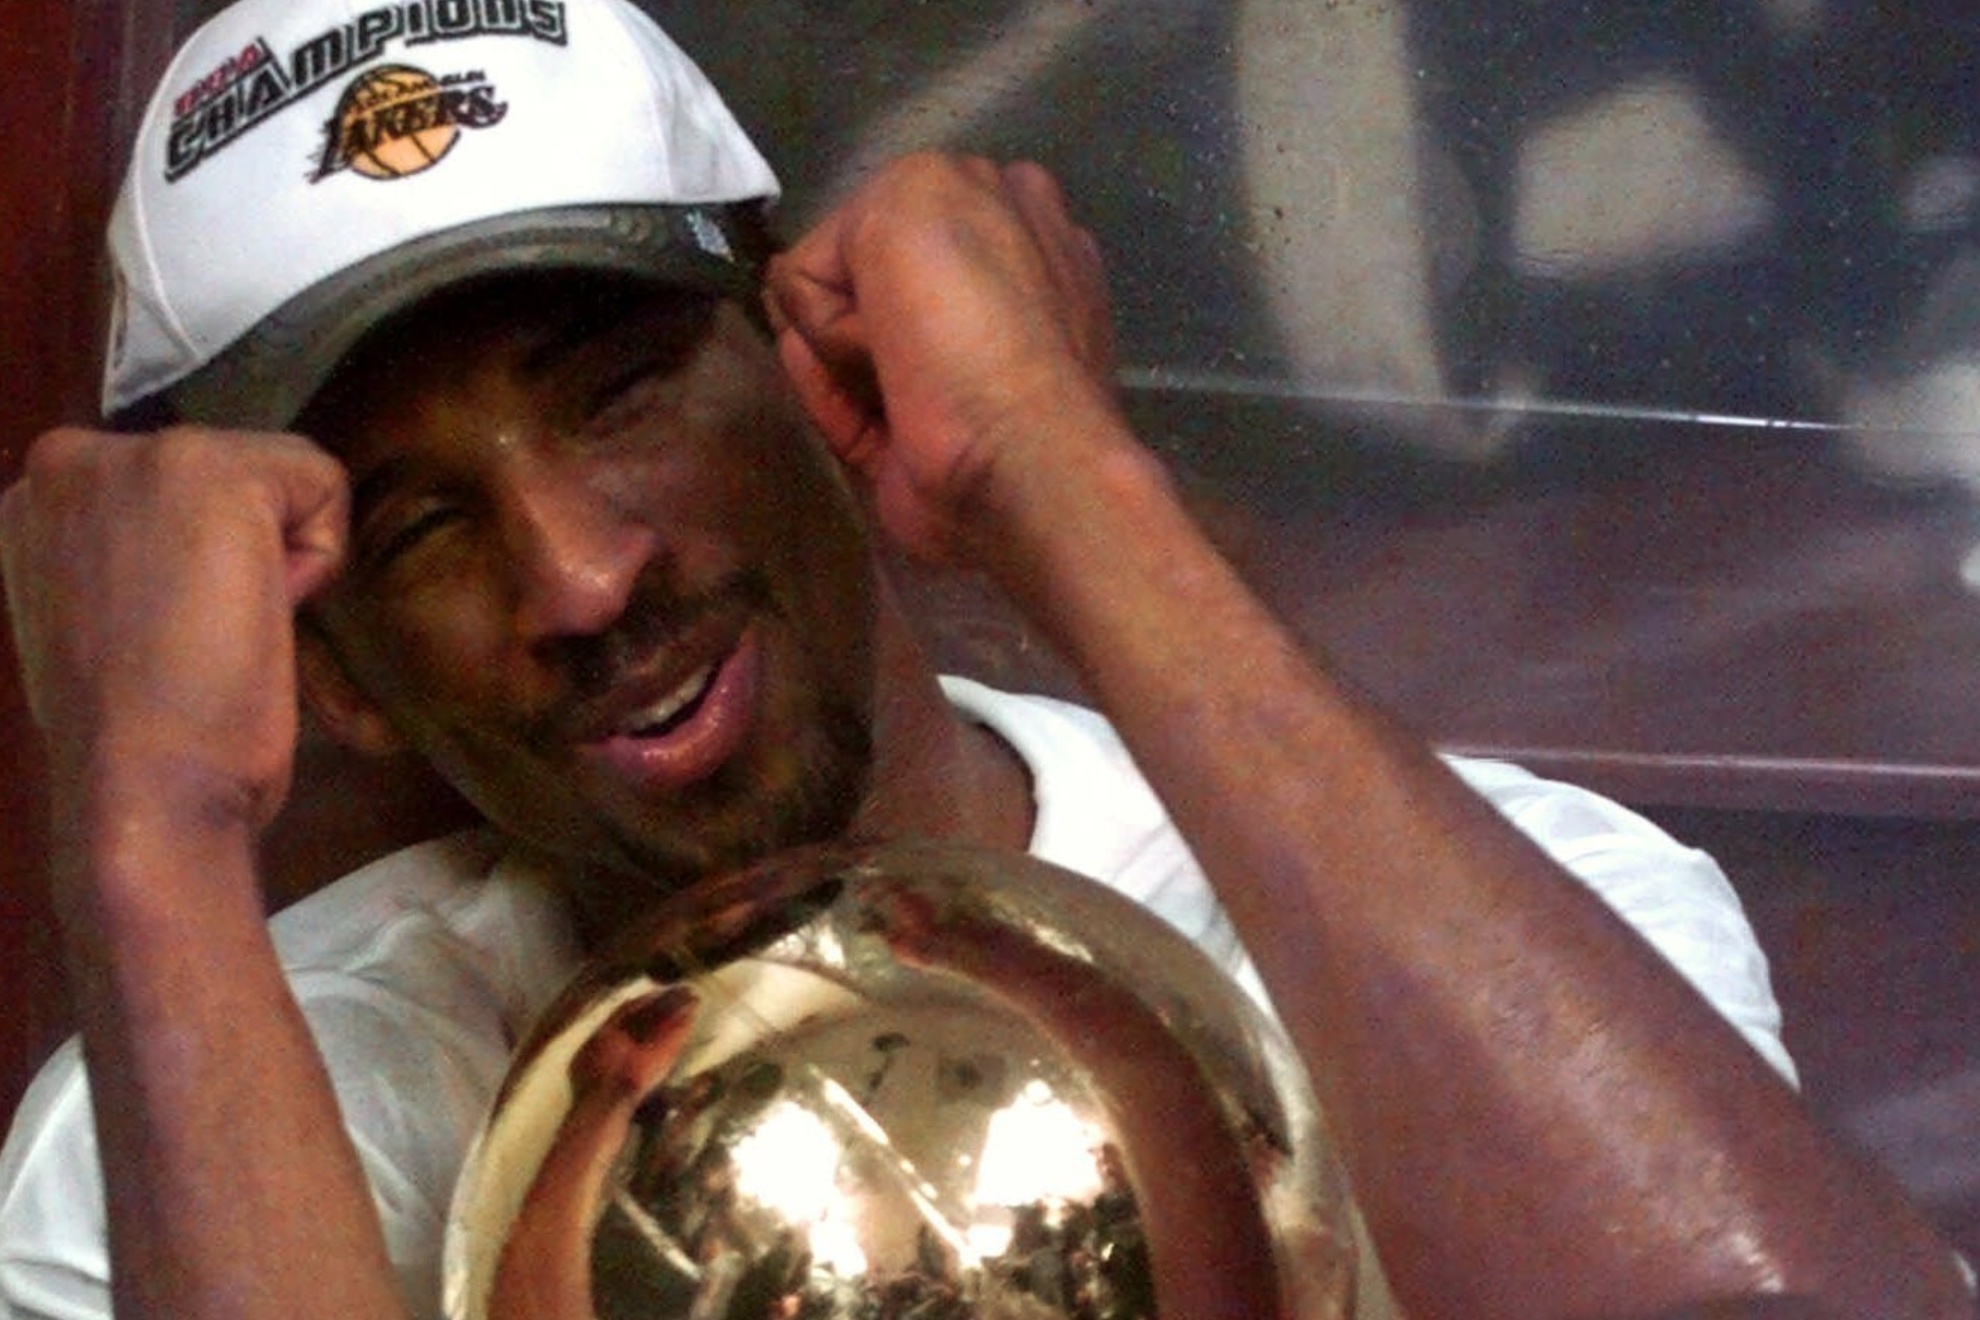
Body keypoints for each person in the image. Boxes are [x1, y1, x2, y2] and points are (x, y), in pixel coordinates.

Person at [0, 0, 1968, 1317]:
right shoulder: (210, 1122)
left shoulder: (1514, 921)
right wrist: (150, 833)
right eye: (418, 526)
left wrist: (1060, 473)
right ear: (330, 667)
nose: (584, 578)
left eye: (617, 393)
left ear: (806, 364)